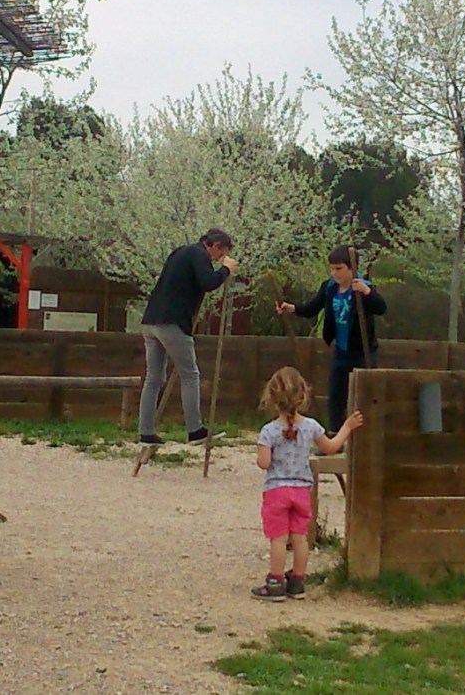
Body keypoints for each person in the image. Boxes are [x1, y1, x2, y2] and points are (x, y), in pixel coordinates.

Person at [251, 366, 364, 602]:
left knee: (279, 538)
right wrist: (347, 427)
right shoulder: (311, 426)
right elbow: (332, 448)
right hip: (302, 490)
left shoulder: (269, 431)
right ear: (303, 395)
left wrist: (264, 453)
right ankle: (298, 581)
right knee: (300, 536)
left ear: (271, 397)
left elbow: (264, 463)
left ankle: (275, 582)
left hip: (277, 491)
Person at [138, 228, 237, 446]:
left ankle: (145, 432)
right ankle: (195, 431)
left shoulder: (180, 252)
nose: (220, 258)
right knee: (190, 375)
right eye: (221, 253)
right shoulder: (200, 255)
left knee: (153, 378)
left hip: (151, 320)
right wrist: (225, 271)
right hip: (172, 322)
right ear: (215, 246)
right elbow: (208, 282)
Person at [276, 244, 386, 434]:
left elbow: (381, 308)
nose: (335, 273)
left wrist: (368, 293)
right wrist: (292, 308)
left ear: (352, 268)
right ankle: (335, 437)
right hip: (341, 350)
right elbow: (313, 307)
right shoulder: (329, 288)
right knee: (336, 396)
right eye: (332, 268)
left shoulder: (363, 287)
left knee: (364, 395)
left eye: (339, 269)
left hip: (362, 351)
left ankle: (363, 437)